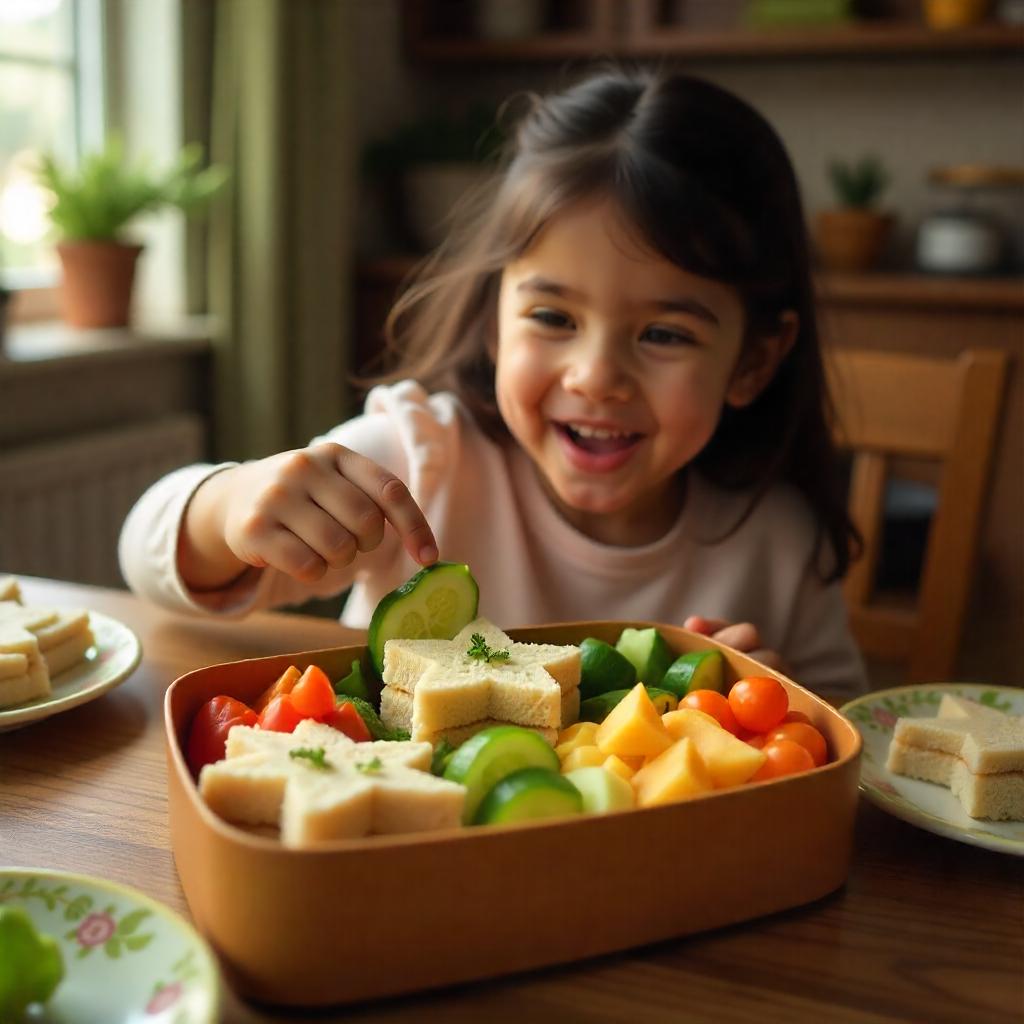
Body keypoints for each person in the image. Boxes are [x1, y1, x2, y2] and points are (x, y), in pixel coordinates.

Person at [119, 68, 866, 696]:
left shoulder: (780, 541)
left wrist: (781, 697)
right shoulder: (418, 463)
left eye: (664, 334)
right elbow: (144, 553)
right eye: (552, 316)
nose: (597, 377)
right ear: (494, 320)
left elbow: (841, 728)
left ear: (754, 361)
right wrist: (228, 508)